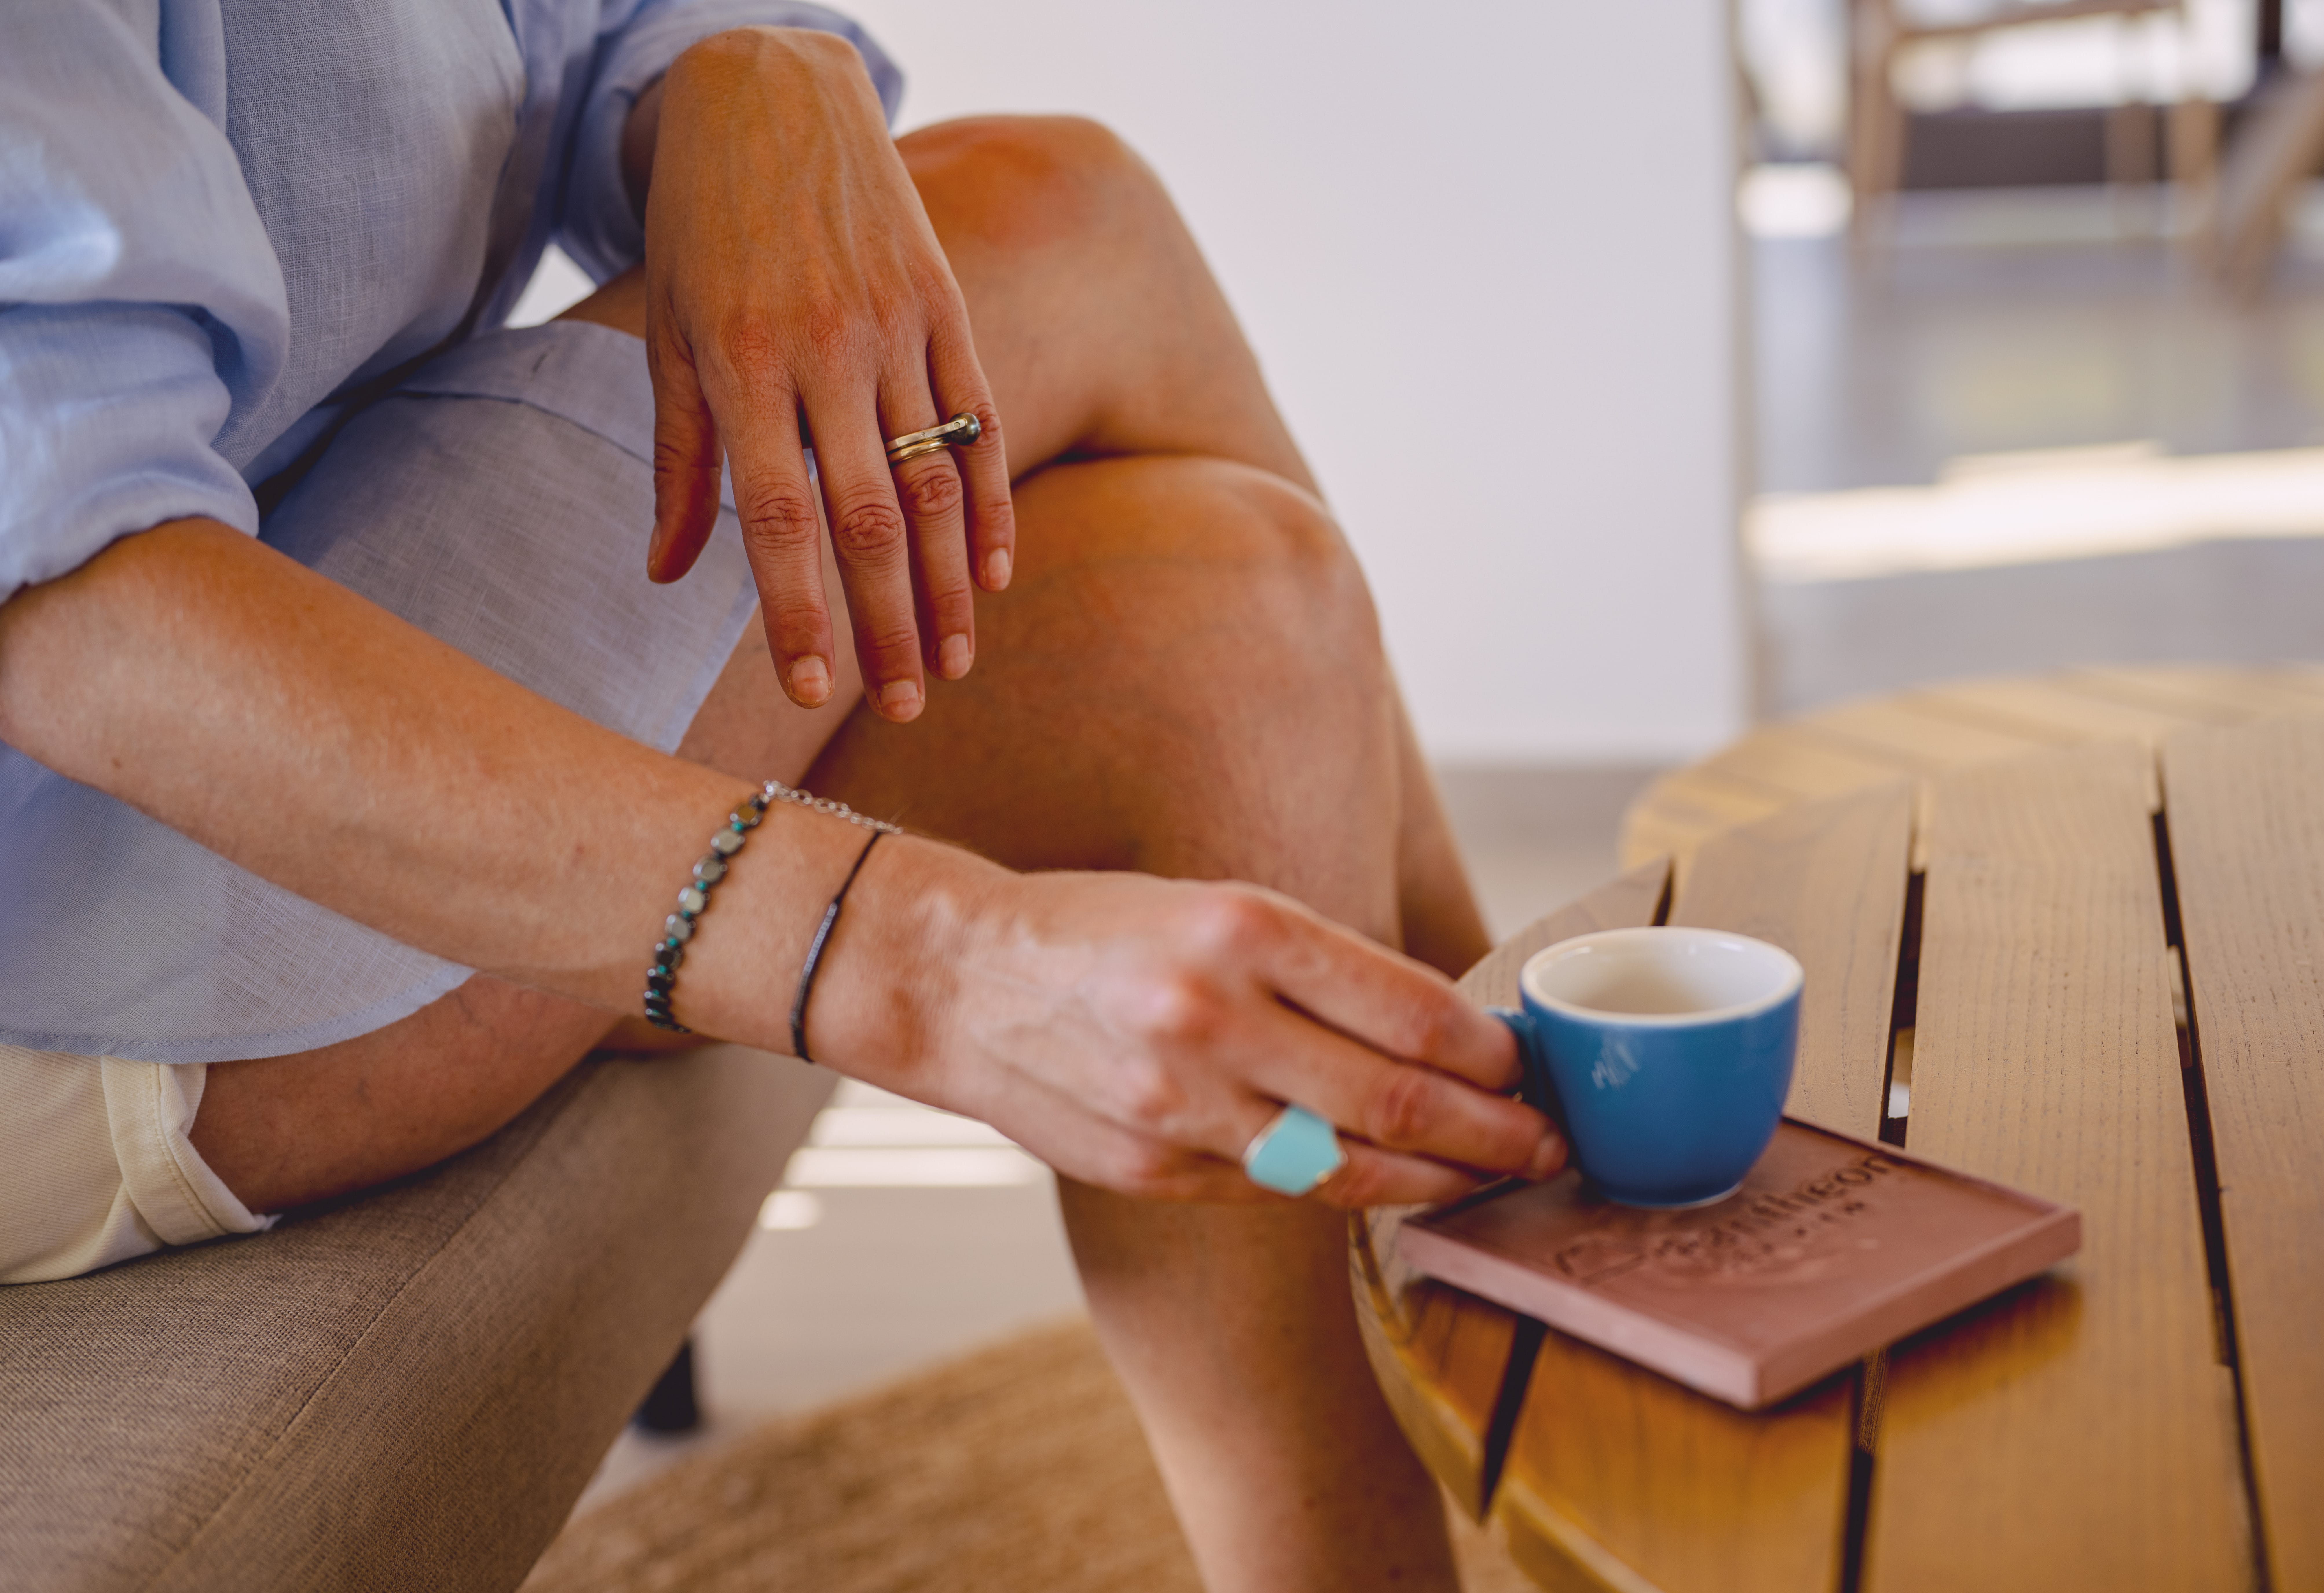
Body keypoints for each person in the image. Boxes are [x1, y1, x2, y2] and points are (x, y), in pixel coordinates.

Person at [0, 4, 1568, 1586]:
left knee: (1234, 617)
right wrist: (924, 962)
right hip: (72, 872)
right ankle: (1546, 1164)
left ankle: (1500, 1210)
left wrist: (745, 71)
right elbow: (66, 603)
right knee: (1070, 215)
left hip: (291, 560)